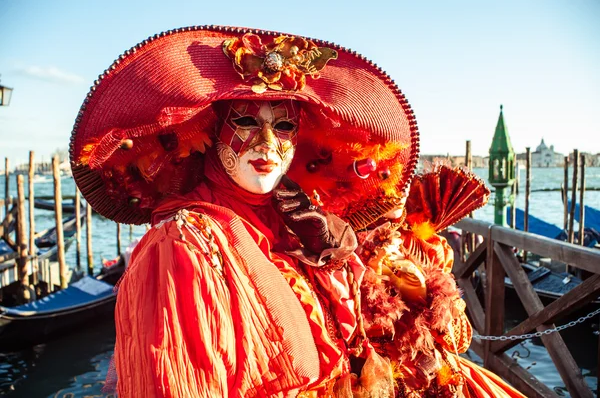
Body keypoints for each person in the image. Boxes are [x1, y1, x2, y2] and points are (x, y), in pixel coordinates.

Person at [69, 26, 419, 397]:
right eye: (247, 122)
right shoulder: (182, 246)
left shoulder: (295, 227)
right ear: (209, 131)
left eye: (283, 126)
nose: (267, 144)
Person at [326, 163, 527, 397]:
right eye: (388, 177)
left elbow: (460, 341)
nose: (402, 189)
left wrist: (426, 295)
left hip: (443, 380)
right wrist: (372, 279)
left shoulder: (425, 246)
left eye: (406, 179)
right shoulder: (335, 251)